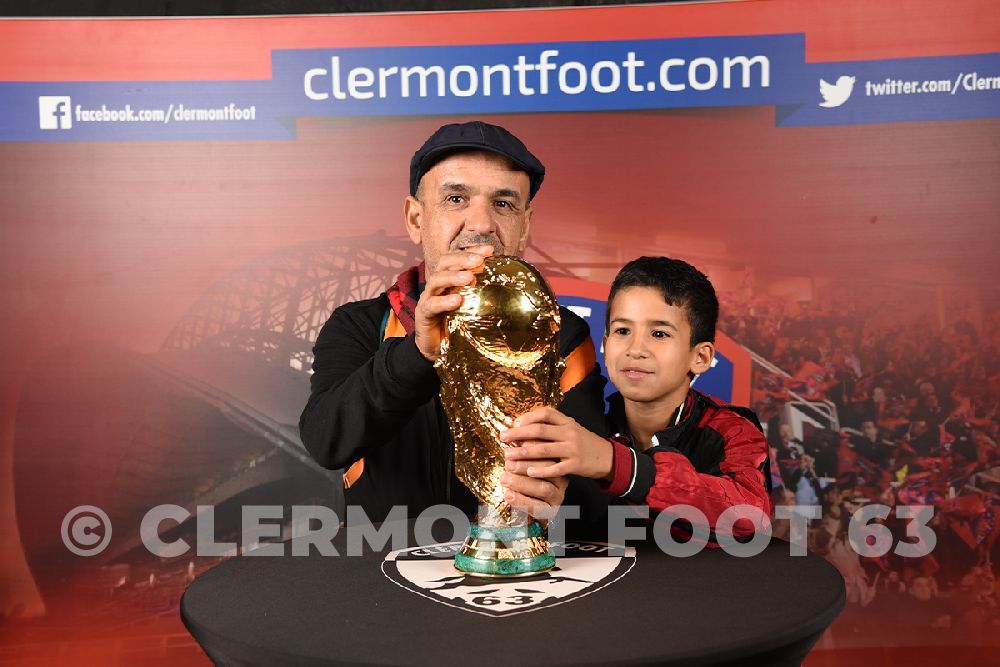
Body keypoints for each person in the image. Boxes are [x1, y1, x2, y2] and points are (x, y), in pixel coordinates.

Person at [299, 121, 607, 525]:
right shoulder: (359, 325)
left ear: (524, 225)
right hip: (381, 572)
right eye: (456, 198)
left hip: (516, 575)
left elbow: (589, 481)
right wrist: (418, 353)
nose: (480, 225)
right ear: (415, 219)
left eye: (503, 204)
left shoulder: (562, 334)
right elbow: (326, 441)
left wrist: (558, 494)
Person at [502, 256, 772, 544]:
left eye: (659, 333)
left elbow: (751, 519)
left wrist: (617, 465)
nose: (636, 348)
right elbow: (569, 533)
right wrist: (542, 513)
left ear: (700, 357)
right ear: (605, 343)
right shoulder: (586, 428)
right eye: (622, 331)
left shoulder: (733, 430)